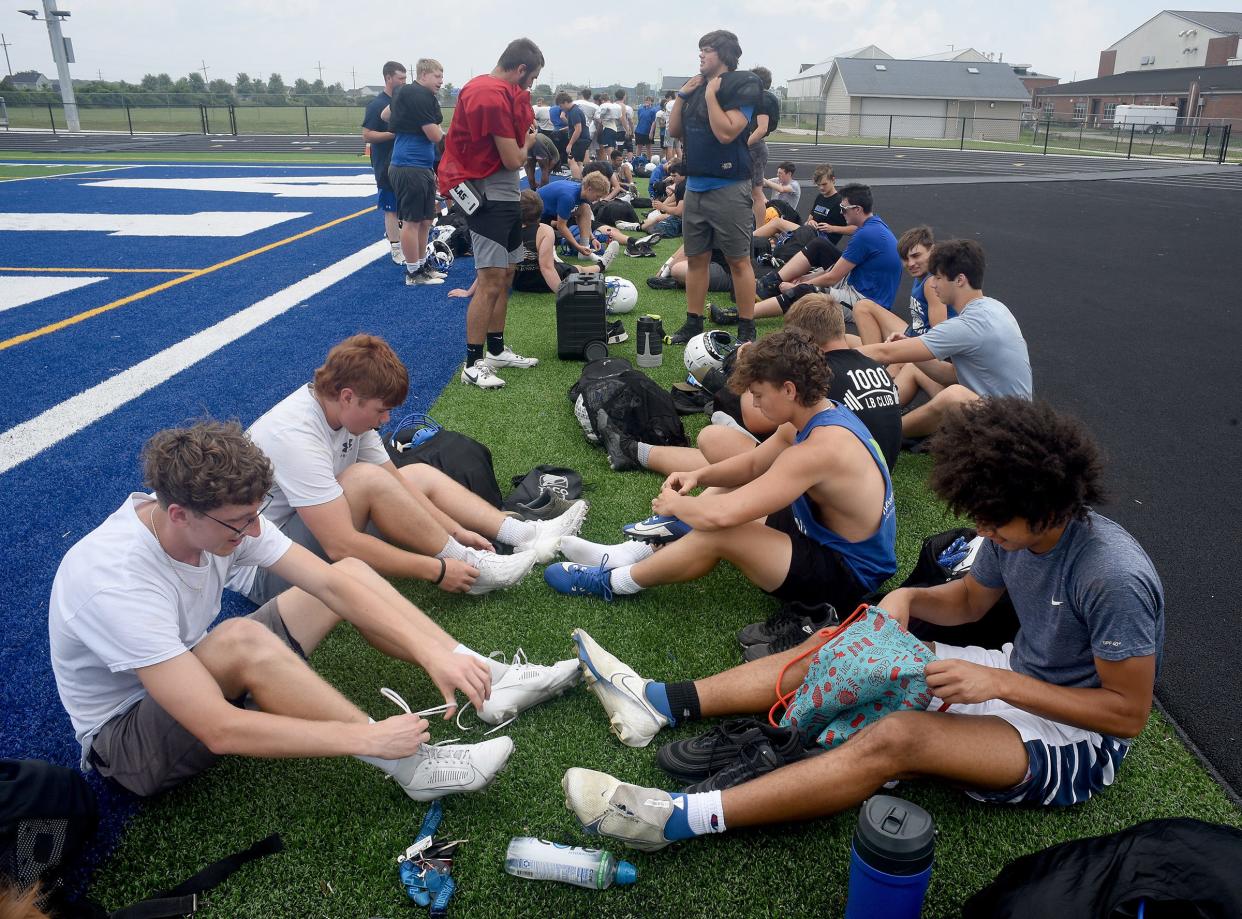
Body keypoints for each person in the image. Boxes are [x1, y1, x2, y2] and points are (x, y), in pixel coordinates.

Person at [561, 396, 1164, 852]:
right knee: (840, 641)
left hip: (1076, 741)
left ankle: (676, 818)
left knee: (897, 740)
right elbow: (970, 604)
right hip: (1015, 676)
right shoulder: (1015, 533)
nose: (983, 532)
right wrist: (906, 601)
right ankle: (659, 702)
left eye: (995, 522)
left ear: (1046, 504)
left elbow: (1125, 715)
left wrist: (1001, 685)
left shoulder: (1111, 577)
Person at [46, 421, 575, 801]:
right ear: (180, 514)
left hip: (186, 671)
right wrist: (368, 737)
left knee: (350, 573)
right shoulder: (113, 582)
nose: (254, 532)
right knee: (241, 639)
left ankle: (485, 677)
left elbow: (331, 584)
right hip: (128, 748)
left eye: (257, 516)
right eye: (240, 523)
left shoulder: (219, 520)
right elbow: (218, 729)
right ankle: (408, 765)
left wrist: (436, 654)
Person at [546, 329, 896, 618]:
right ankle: (633, 552)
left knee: (720, 531)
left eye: (759, 394)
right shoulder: (816, 413)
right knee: (729, 491)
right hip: (822, 535)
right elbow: (755, 465)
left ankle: (616, 581)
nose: (754, 405)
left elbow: (723, 515)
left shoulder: (820, 449)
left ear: (789, 389)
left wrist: (675, 505)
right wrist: (701, 476)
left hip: (848, 576)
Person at [237, 334, 588, 606]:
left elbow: (399, 484)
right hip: (269, 574)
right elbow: (340, 545)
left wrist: (454, 531)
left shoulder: (346, 415)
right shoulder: (295, 435)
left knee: (413, 474)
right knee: (364, 479)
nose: (386, 419)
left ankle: (525, 535)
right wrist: (438, 570)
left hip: (310, 535)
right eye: (380, 409)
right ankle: (472, 568)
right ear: (347, 397)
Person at [596, 293, 901, 476]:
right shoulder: (872, 364)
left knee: (717, 438)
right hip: (878, 469)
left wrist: (746, 367)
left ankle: (635, 451)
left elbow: (756, 420)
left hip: (837, 476)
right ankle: (635, 451)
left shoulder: (814, 377)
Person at [438, 38, 545, 390]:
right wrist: (528, 144)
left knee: (508, 273)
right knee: (489, 281)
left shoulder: (497, 90)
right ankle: (472, 363)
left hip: (504, 193)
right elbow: (514, 159)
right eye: (530, 78)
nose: (530, 86)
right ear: (520, 69)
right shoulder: (488, 93)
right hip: (487, 196)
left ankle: (496, 350)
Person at [857, 239, 1032, 437]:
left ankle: (879, 434)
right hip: (1005, 413)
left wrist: (833, 358)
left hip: (1009, 432)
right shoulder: (996, 307)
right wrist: (910, 352)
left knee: (954, 396)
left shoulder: (967, 325)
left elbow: (883, 352)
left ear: (960, 280)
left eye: (938, 277)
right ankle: (875, 414)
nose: (932, 284)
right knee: (917, 367)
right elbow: (952, 375)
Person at [667, 30, 763, 345]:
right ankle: (692, 322)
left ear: (722, 53)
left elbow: (727, 133)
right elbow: (675, 130)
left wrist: (710, 95)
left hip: (729, 184)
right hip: (695, 185)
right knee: (696, 259)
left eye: (706, 50)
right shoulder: (695, 86)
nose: (700, 55)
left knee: (738, 260)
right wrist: (682, 96)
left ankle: (747, 328)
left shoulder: (742, 83)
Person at [752, 184, 901, 327]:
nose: (841, 213)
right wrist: (806, 278)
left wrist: (799, 286)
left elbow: (832, 277)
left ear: (857, 209)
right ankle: (770, 285)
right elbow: (839, 268)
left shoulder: (865, 235)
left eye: (843, 208)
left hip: (867, 303)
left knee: (804, 291)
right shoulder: (875, 225)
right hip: (859, 283)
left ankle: (744, 314)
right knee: (819, 245)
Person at [385, 58, 445, 286]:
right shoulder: (419, 95)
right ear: (424, 75)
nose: (441, 81)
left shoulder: (405, 93)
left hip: (419, 165)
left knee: (426, 220)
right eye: (437, 76)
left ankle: (421, 265)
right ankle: (413, 272)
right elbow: (434, 135)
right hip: (409, 165)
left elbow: (385, 115)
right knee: (412, 221)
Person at [854, 225, 955, 355]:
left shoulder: (931, 283)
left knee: (862, 350)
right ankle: (876, 358)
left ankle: (877, 363)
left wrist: (907, 354)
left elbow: (938, 337)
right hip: (913, 335)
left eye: (916, 255)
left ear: (932, 250)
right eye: (906, 259)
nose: (911, 263)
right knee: (863, 307)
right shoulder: (921, 275)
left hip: (923, 347)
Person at [512, 189, 606, 293]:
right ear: (541, 209)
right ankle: (601, 265)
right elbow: (546, 268)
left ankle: (601, 264)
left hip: (517, 283)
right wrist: (562, 293)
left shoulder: (507, 229)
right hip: (544, 282)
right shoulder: (544, 230)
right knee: (579, 269)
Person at [361, 61, 407, 266]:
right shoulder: (377, 105)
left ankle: (402, 240)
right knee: (391, 208)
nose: (404, 82)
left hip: (405, 163)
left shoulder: (403, 101)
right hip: (385, 164)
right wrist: (393, 134)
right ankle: (395, 247)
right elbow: (367, 135)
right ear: (388, 78)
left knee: (406, 207)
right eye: (400, 78)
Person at [536, 172, 617, 263]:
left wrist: (592, 238)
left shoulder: (582, 191)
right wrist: (577, 247)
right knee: (554, 237)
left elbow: (583, 219)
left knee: (585, 208)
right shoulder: (568, 197)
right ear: (589, 189)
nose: (598, 200)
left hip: (551, 212)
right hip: (535, 216)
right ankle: (551, 252)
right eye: (597, 196)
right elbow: (561, 226)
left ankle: (585, 249)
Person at [747, 67, 783, 229]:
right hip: (757, 146)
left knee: (756, 193)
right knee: (752, 192)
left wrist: (743, 145)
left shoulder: (762, 99)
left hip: (755, 147)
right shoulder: (766, 97)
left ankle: (760, 231)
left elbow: (762, 128)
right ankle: (757, 229)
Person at [558, 91, 590, 181]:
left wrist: (570, 144)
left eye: (561, 106)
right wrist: (568, 128)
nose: (562, 109)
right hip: (584, 138)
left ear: (565, 102)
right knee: (579, 162)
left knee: (571, 160)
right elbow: (577, 126)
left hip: (580, 139)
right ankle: (581, 181)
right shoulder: (576, 109)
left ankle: (576, 182)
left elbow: (578, 129)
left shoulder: (574, 112)